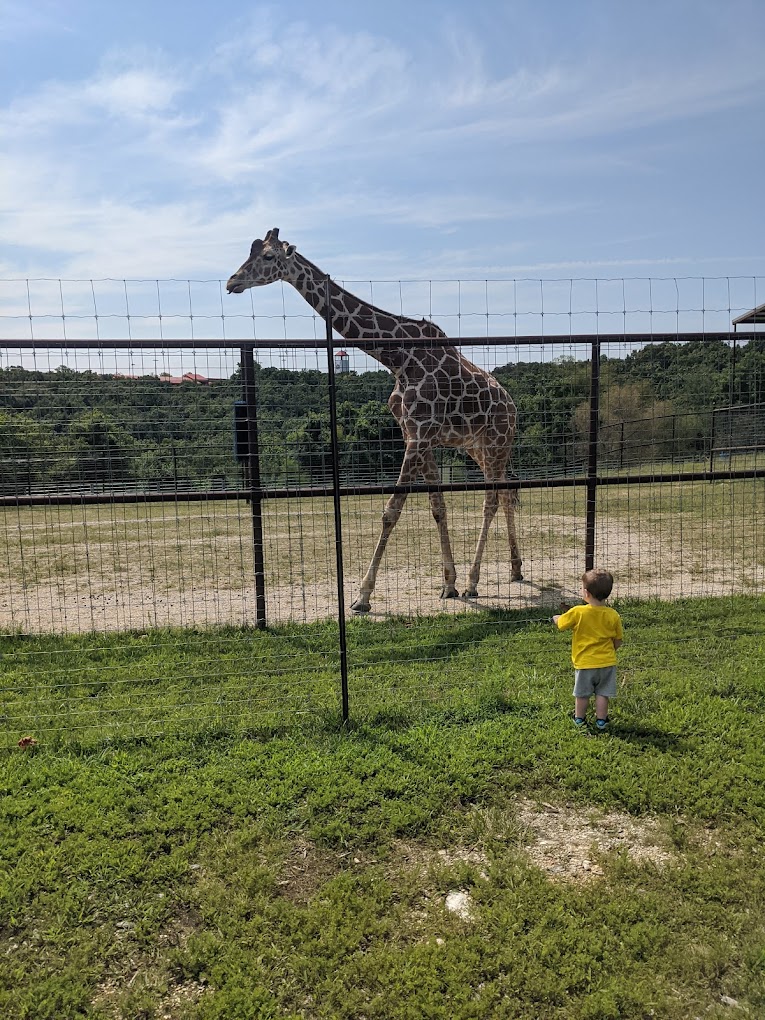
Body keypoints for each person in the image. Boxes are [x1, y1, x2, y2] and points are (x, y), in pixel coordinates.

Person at [552, 569, 623, 734]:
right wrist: (611, 650)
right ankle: (601, 721)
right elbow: (618, 639)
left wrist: (556, 618)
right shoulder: (613, 615)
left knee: (582, 694)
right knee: (602, 694)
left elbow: (562, 624)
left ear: (586, 593)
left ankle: (579, 718)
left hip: (585, 663)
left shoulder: (578, 612)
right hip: (607, 663)